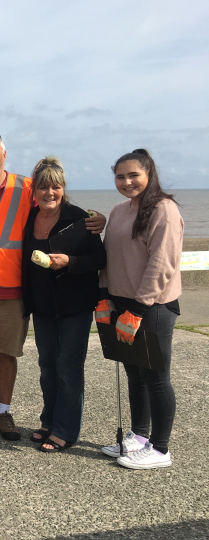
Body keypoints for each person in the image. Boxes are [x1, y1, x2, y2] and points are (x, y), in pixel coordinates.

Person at [0, 131, 106, 442]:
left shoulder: (27, 187)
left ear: (4, 153)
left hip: (14, 289)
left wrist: (94, 219)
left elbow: (55, 203)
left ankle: (4, 411)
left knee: (8, 353)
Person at [98, 149, 182, 470]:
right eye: (120, 176)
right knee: (134, 373)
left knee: (156, 376)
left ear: (149, 174)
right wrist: (103, 298)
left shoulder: (163, 209)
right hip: (120, 302)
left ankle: (160, 449)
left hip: (153, 306)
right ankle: (139, 436)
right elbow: (108, 257)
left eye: (134, 175)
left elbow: (162, 264)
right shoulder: (119, 210)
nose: (127, 181)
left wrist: (137, 310)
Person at [21, 156, 106, 452]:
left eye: (55, 187)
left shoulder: (79, 219)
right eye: (43, 187)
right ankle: (49, 420)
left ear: (63, 188)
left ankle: (66, 430)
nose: (49, 193)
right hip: (43, 307)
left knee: (68, 369)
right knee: (47, 367)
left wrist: (70, 262)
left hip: (75, 306)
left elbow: (99, 259)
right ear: (35, 191)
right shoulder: (29, 218)